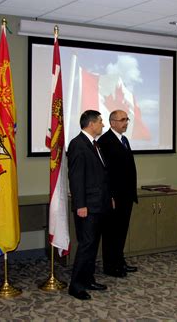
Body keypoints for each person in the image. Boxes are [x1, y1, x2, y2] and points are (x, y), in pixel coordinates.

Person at [67, 110, 112, 301]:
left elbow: (101, 176)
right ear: (91, 124)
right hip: (87, 206)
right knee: (86, 245)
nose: (103, 124)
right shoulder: (78, 145)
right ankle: (76, 286)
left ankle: (88, 279)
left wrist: (108, 197)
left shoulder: (94, 145)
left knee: (93, 245)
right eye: (101, 121)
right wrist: (80, 205)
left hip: (99, 204)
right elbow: (76, 178)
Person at [98, 110, 138, 278]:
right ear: (112, 122)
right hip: (114, 197)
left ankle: (120, 261)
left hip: (126, 195)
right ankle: (110, 266)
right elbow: (104, 173)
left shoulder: (124, 140)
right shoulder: (105, 141)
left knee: (121, 231)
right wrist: (110, 196)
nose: (126, 122)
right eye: (122, 120)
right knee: (111, 233)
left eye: (127, 119)